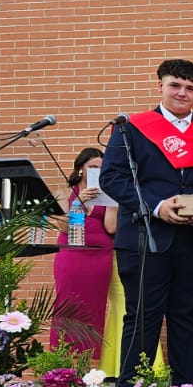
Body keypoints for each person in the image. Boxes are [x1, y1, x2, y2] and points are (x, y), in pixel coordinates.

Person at [101, 59, 193, 387]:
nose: (182, 93)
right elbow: (112, 177)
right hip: (146, 239)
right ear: (160, 85)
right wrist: (157, 207)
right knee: (141, 318)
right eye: (175, 85)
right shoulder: (131, 128)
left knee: (188, 318)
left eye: (190, 88)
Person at [50, 147, 118, 356]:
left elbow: (111, 228)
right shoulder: (64, 193)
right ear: (81, 168)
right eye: (92, 167)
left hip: (100, 256)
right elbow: (63, 226)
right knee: (67, 304)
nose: (96, 171)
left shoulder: (107, 193)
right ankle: (61, 355)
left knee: (94, 306)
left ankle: (89, 359)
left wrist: (113, 203)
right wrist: (81, 203)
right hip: (71, 256)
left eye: (101, 168)